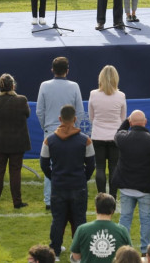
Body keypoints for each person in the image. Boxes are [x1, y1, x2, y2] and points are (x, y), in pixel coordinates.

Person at [40, 105, 95, 258]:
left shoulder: (48, 140)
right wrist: (84, 178)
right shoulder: (86, 140)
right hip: (78, 185)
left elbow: (44, 164)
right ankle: (79, 252)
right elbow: (91, 164)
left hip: (59, 186)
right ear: (75, 119)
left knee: (58, 219)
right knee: (79, 220)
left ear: (59, 119)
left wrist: (53, 177)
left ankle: (55, 252)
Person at [36, 56, 84, 210]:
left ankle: (50, 200)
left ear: (52, 70)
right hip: (68, 129)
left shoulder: (44, 85)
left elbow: (39, 111)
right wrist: (73, 126)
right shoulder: (74, 86)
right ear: (67, 71)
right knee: (73, 163)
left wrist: (46, 126)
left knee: (50, 165)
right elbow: (80, 111)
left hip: (50, 130)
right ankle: (70, 196)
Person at [113, 110, 150, 256]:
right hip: (146, 186)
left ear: (131, 123)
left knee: (125, 218)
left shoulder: (123, 138)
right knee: (146, 220)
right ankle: (145, 251)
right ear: (145, 122)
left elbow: (118, 132)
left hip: (127, 186)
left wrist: (127, 121)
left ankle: (122, 250)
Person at [0, 73, 30, 208]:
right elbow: (27, 114)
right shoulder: (21, 100)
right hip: (17, 140)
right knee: (15, 171)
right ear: (13, 85)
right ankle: (17, 201)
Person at [89, 65, 126, 199]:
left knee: (99, 167)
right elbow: (123, 118)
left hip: (98, 135)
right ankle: (113, 196)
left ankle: (101, 196)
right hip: (115, 136)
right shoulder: (121, 95)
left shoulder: (93, 94)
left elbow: (91, 117)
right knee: (114, 167)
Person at [70, 193, 132, 263]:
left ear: (96, 209)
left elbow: (76, 256)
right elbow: (129, 255)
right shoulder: (122, 231)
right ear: (113, 211)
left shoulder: (81, 229)